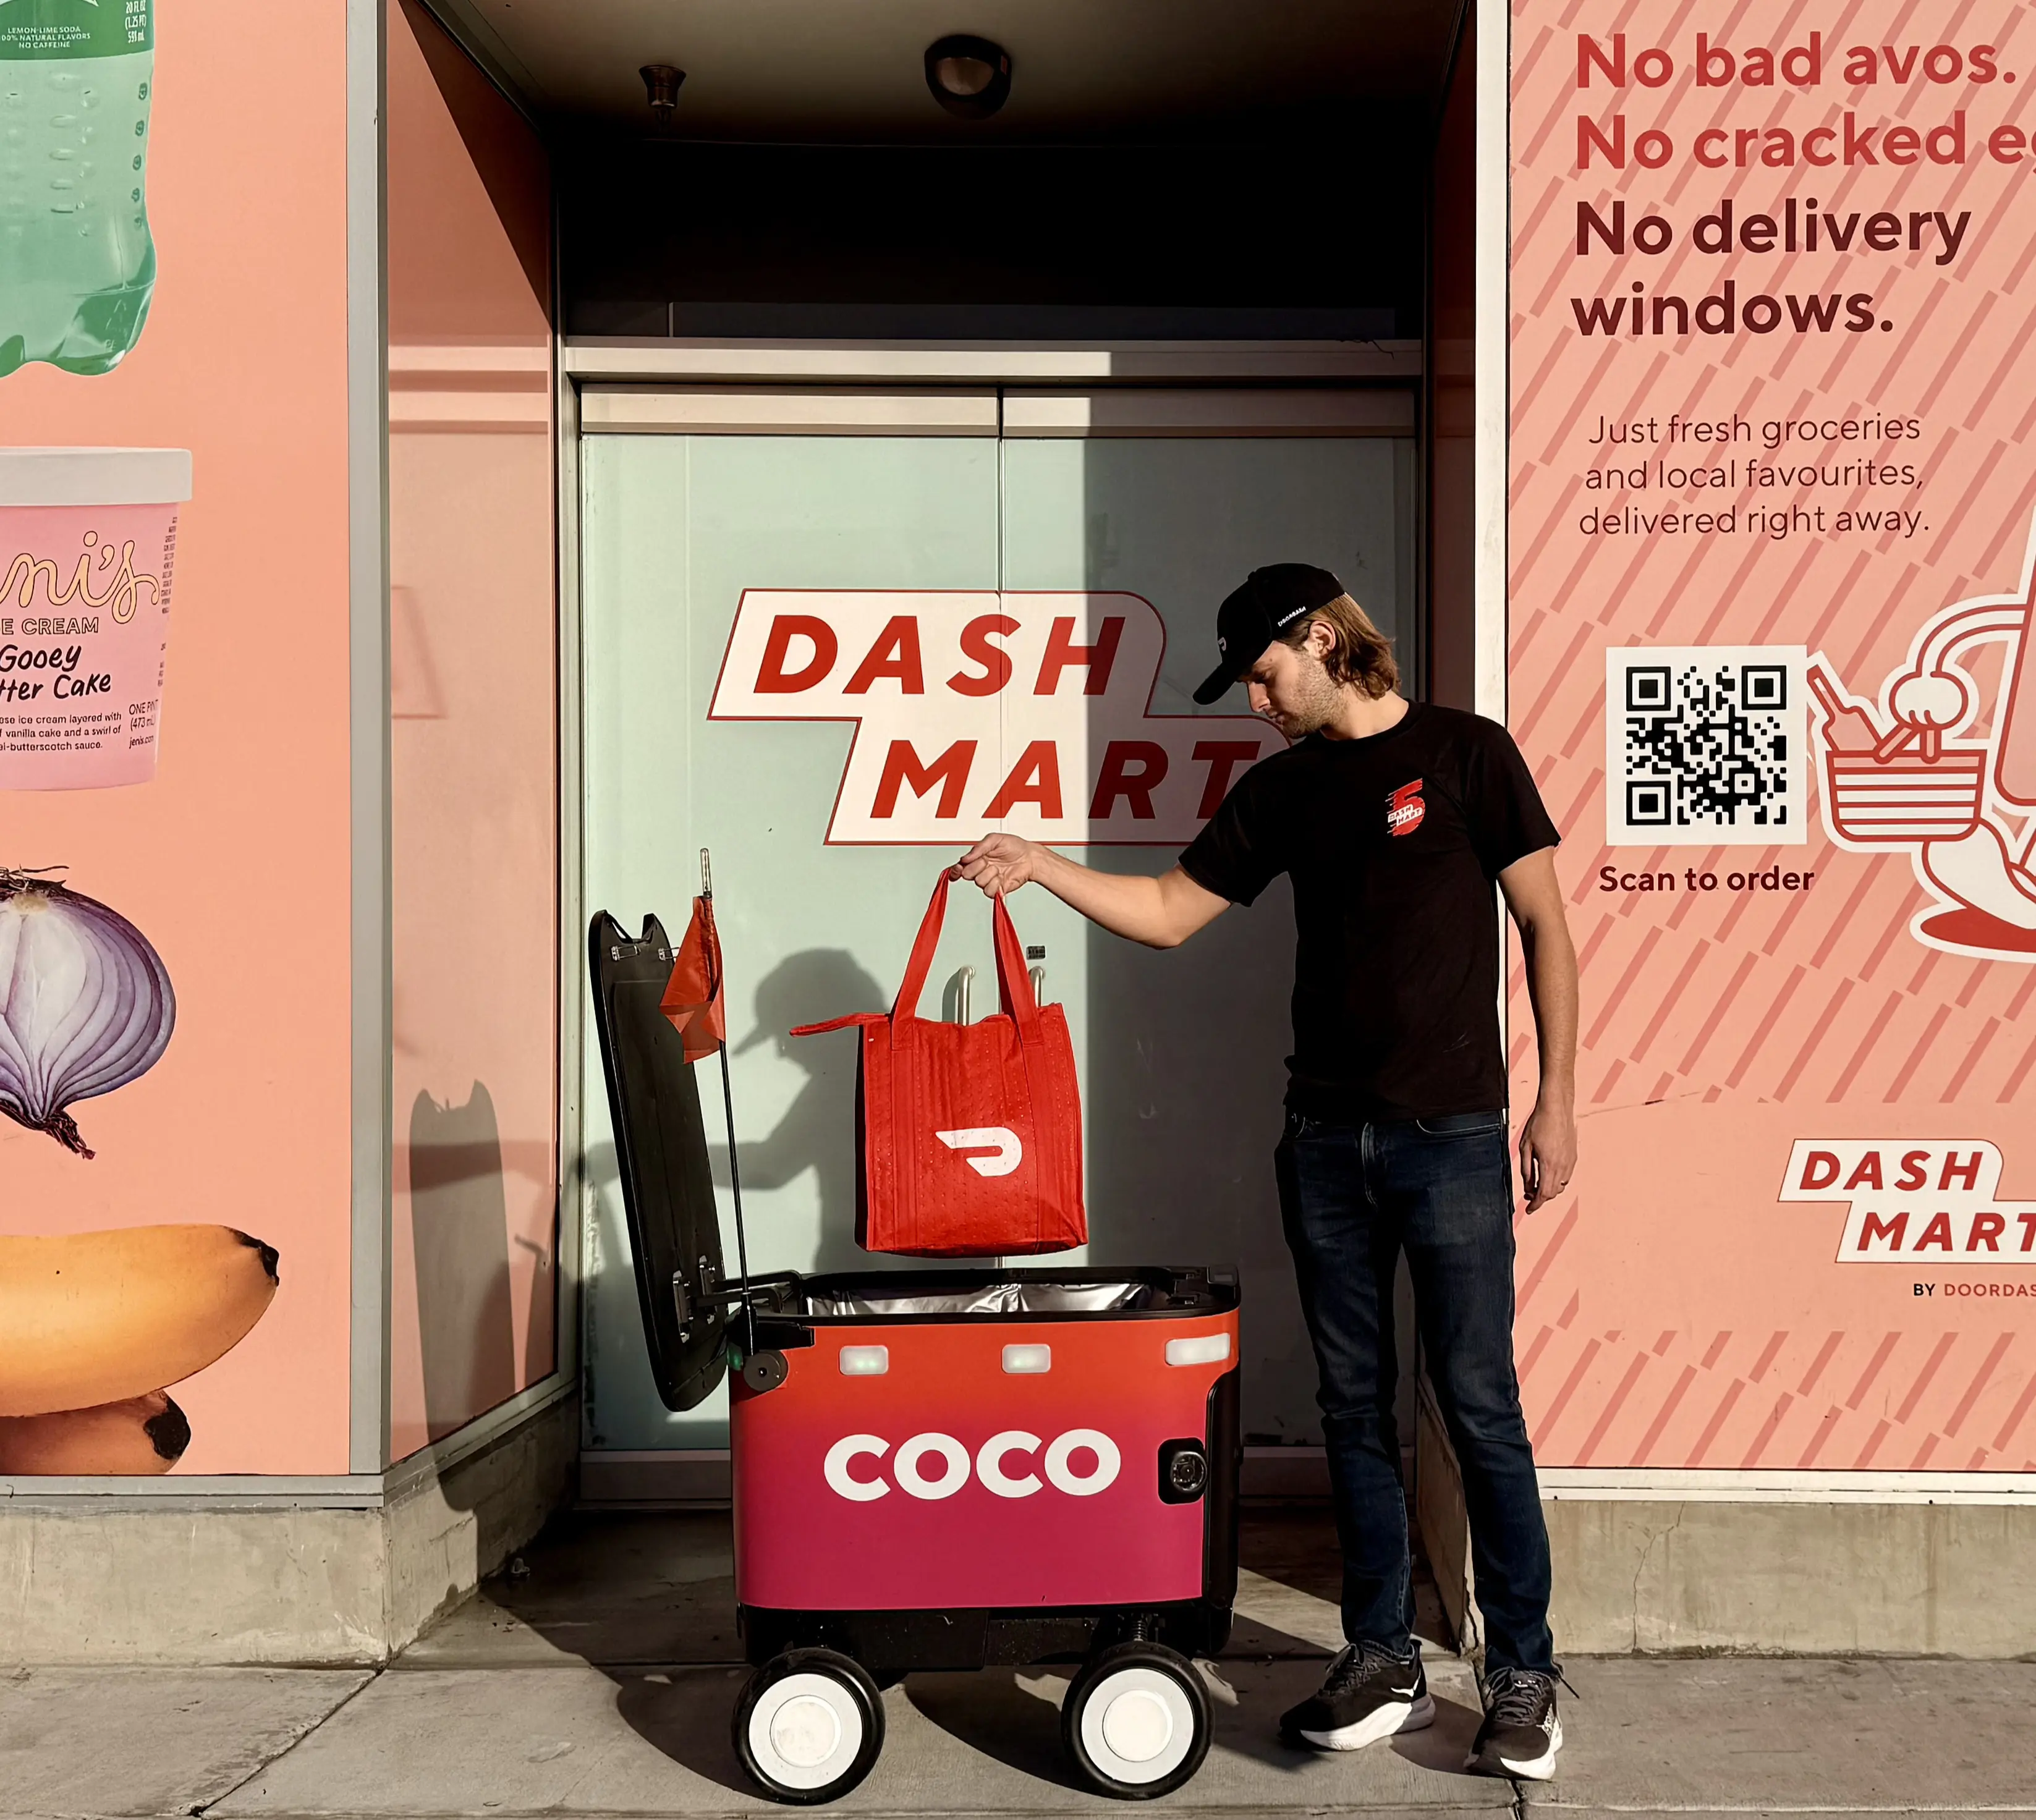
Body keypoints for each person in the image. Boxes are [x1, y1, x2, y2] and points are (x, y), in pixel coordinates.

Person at [957, 563, 1579, 1780]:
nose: (1257, 698)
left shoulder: (1469, 754)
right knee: (1354, 1404)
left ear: (1323, 638)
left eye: (1262, 670)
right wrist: (1040, 863)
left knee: (1476, 1400)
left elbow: (1547, 924)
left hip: (1452, 1136)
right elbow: (1170, 910)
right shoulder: (1286, 790)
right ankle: (1380, 1653)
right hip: (1324, 1143)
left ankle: (1521, 1669)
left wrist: (1558, 1098)